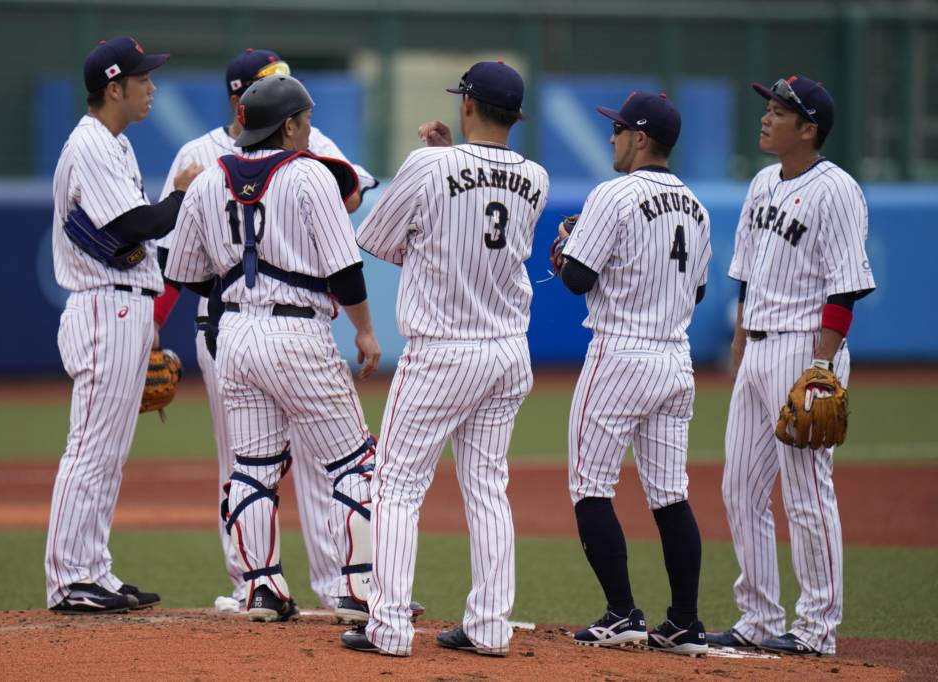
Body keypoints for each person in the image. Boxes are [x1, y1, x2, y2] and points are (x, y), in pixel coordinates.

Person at [151, 47, 381, 616]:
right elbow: (345, 270)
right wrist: (366, 333)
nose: (308, 127)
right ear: (290, 125)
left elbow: (181, 273)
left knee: (251, 467)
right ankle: (356, 588)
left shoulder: (206, 182)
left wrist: (237, 299)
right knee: (354, 463)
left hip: (233, 337)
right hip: (299, 332)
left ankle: (260, 585)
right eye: (303, 119)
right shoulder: (308, 177)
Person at [340, 61, 549, 657]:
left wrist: (437, 170)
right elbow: (484, 219)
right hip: (508, 351)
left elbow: (377, 240)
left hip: (443, 350)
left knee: (396, 485)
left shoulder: (429, 164)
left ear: (467, 105)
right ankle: (489, 628)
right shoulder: (536, 176)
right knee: (487, 488)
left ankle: (387, 628)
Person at [707, 75, 875, 657]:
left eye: (779, 112)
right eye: (768, 108)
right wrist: (738, 344)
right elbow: (747, 274)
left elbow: (844, 288)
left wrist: (822, 367)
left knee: (805, 492)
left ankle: (817, 627)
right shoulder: (760, 183)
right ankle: (757, 615)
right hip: (756, 345)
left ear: (809, 130)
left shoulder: (838, 190)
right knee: (739, 489)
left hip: (805, 349)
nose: (766, 117)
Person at [46, 36, 201, 614]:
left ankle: (93, 570)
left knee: (108, 453)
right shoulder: (90, 145)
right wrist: (182, 195)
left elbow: (131, 238)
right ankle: (68, 580)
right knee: (89, 450)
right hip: (101, 306)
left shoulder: (115, 145)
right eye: (142, 79)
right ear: (114, 88)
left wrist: (150, 311)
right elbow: (139, 223)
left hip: (125, 303)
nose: (151, 86)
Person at [554, 92, 711, 656]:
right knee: (671, 495)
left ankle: (622, 612)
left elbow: (575, 279)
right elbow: (698, 290)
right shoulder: (697, 205)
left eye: (618, 129)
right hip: (676, 358)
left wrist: (566, 247)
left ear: (641, 138)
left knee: (589, 487)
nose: (612, 138)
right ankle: (686, 623)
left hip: (621, 354)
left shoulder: (614, 194)